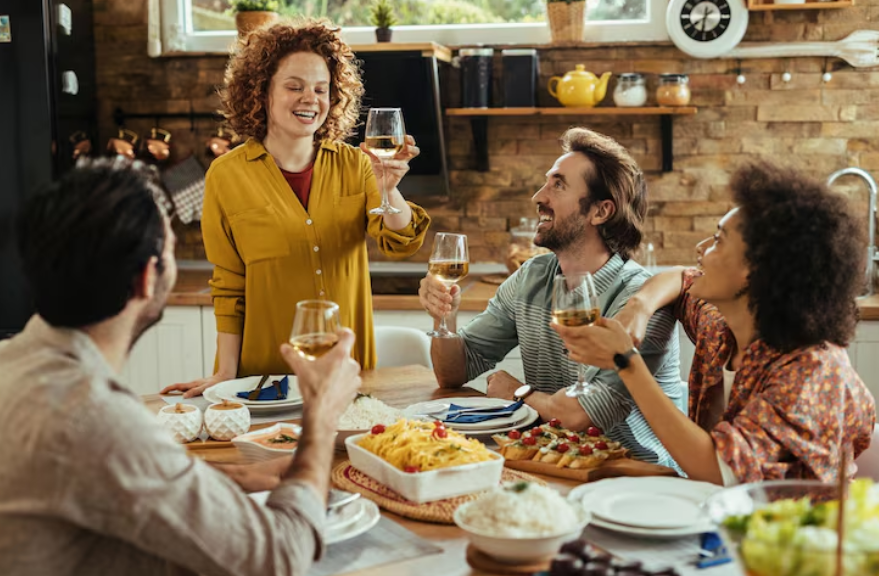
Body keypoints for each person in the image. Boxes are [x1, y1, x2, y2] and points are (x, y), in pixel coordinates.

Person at [0, 159, 362, 575]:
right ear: (147, 277)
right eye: (170, 248)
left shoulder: (16, 362)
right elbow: (280, 558)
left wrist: (224, 478)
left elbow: (103, 474)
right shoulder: (92, 415)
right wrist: (320, 418)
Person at [554, 160, 876, 484]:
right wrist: (639, 307)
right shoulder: (720, 329)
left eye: (718, 240)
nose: (701, 249)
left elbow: (722, 470)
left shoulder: (813, 372)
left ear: (756, 269)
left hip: (790, 529)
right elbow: (681, 278)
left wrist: (625, 361)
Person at [163, 18, 430, 398]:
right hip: (265, 380)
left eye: (322, 89)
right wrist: (225, 372)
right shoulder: (225, 175)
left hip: (348, 376)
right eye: (294, 87)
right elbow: (228, 283)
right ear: (261, 93)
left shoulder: (358, 165)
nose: (311, 99)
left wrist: (389, 189)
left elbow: (401, 242)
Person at [419, 127, 683, 469]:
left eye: (558, 184)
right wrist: (444, 317)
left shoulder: (637, 303)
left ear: (600, 212)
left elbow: (581, 415)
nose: (538, 196)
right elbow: (453, 372)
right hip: (552, 465)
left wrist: (520, 394)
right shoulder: (532, 276)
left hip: (635, 477)